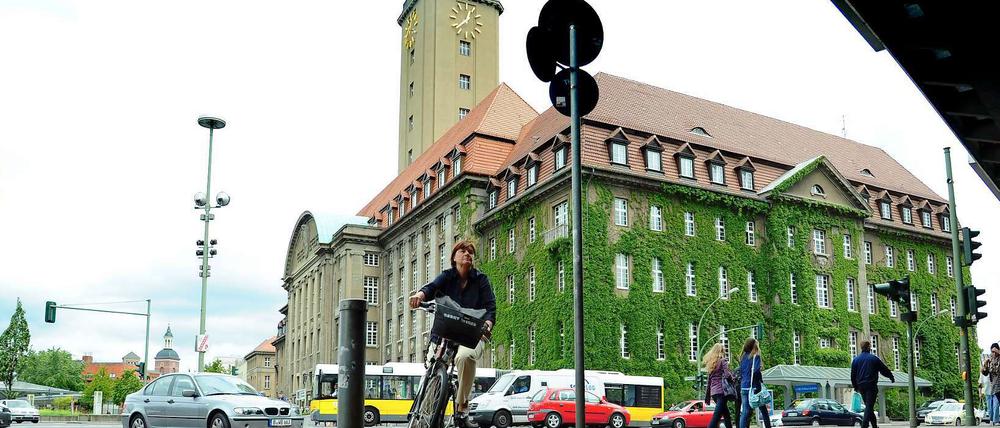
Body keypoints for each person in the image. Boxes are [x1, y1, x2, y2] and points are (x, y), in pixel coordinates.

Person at [409, 240, 496, 428]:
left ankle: (462, 406)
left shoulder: (481, 280)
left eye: (471, 252)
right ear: (454, 257)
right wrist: (419, 296)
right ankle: (425, 410)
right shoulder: (447, 276)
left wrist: (488, 323)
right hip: (445, 332)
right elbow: (431, 288)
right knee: (433, 364)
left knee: (465, 357)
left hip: (471, 334)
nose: (467, 254)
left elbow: (490, 307)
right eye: (463, 251)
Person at [851, 340, 894, 428]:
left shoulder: (855, 360)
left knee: (868, 407)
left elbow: (853, 375)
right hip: (871, 385)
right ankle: (864, 425)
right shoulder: (874, 359)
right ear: (868, 347)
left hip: (861, 386)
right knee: (869, 406)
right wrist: (891, 376)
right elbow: (883, 369)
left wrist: (855, 386)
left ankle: (874, 426)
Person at [738, 338, 772, 428]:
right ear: (755, 346)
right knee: (763, 410)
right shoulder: (755, 356)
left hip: (744, 387)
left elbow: (741, 372)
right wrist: (760, 379)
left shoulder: (742, 357)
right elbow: (756, 371)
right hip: (754, 387)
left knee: (745, 412)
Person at [704, 343, 735, 428]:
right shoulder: (723, 361)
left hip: (714, 393)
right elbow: (727, 374)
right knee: (716, 416)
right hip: (722, 392)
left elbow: (709, 380)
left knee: (726, 415)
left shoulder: (711, 364)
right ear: (722, 351)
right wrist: (733, 378)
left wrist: (707, 395)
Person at [982, 343, 1000, 425]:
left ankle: (995, 420)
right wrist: (985, 364)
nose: (993, 353)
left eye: (995, 351)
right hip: (995, 387)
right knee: (995, 404)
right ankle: (994, 420)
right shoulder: (990, 360)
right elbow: (985, 373)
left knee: (996, 405)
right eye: (992, 351)